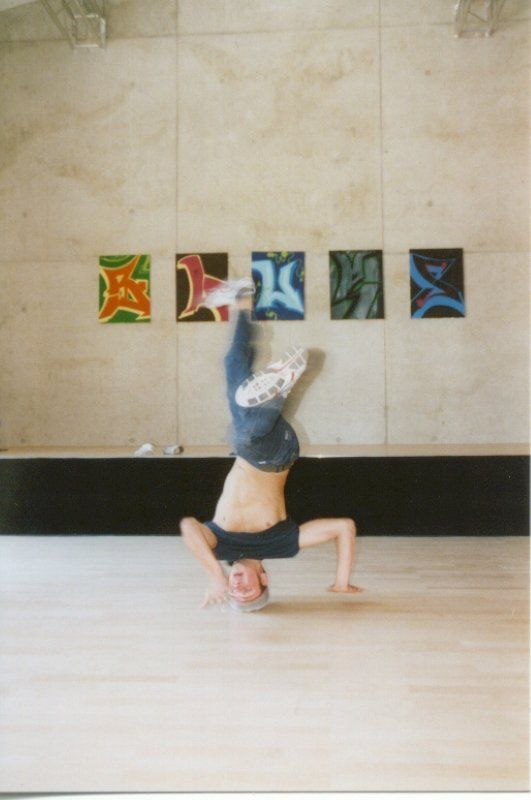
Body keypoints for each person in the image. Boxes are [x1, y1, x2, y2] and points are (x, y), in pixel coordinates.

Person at [180, 279, 363, 611]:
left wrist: (215, 574)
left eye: (235, 592)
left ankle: (241, 304)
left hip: (249, 442)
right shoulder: (281, 546)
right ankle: (276, 388)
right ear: (264, 577)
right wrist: (341, 581)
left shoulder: (217, 546)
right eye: (249, 590)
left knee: (234, 367)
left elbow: (188, 526)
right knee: (247, 432)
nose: (238, 586)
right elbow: (343, 527)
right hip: (276, 452)